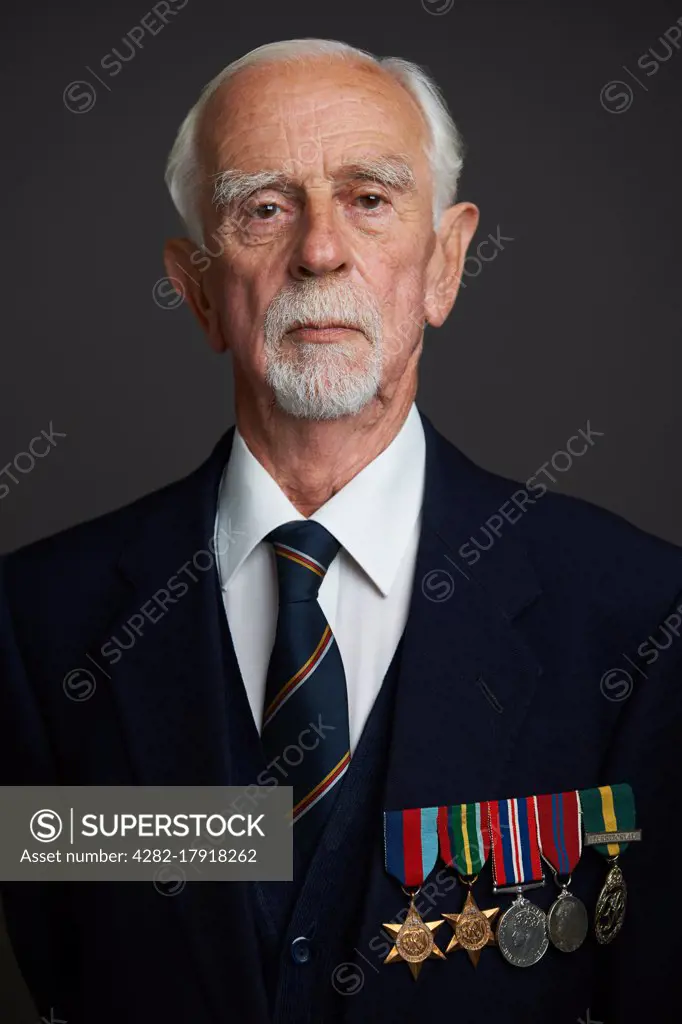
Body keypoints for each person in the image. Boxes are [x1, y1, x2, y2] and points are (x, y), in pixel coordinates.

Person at [1, 38, 680, 1024]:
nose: (319, 250)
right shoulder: (35, 626)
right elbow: (66, 966)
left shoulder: (636, 617)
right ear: (196, 288)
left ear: (445, 262)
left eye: (369, 198)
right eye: (264, 208)